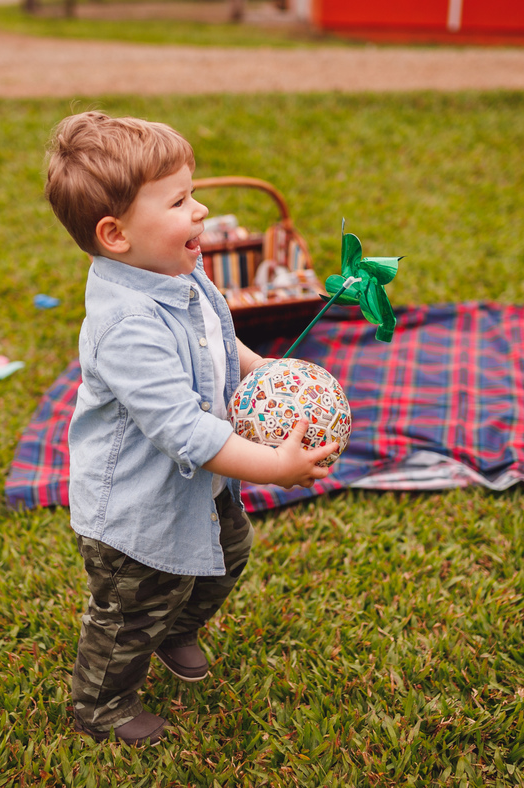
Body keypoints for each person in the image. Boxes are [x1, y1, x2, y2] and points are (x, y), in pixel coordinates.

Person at [44, 111, 338, 746]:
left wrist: (268, 375)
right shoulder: (126, 327)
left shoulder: (184, 270)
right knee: (127, 617)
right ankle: (102, 705)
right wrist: (276, 469)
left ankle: (179, 627)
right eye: (180, 200)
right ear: (115, 234)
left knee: (227, 557)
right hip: (135, 511)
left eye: (193, 192)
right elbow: (185, 431)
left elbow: (223, 343)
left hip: (196, 492)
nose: (202, 211)